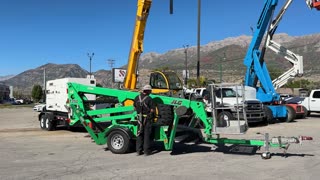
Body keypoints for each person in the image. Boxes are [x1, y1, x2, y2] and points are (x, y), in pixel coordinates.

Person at [134, 84, 155, 156]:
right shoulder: (149, 99)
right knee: (147, 135)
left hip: (139, 119)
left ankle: (138, 151)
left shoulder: (137, 97)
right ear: (148, 91)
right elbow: (152, 110)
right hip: (147, 119)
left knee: (139, 134)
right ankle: (146, 151)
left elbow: (134, 107)